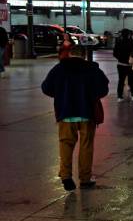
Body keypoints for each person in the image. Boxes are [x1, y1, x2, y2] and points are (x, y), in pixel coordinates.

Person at [41, 44, 109, 191]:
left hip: (66, 114)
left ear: (70, 54)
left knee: (65, 144)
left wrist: (61, 95)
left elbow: (46, 88)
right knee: (86, 146)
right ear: (84, 55)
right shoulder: (92, 69)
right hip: (86, 113)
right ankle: (85, 179)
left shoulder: (59, 69)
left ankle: (66, 176)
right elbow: (104, 89)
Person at [112, 29, 133, 102]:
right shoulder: (131, 42)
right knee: (131, 80)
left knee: (121, 81)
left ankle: (120, 96)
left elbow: (114, 53)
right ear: (128, 34)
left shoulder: (118, 42)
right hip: (130, 65)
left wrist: (120, 58)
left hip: (120, 64)